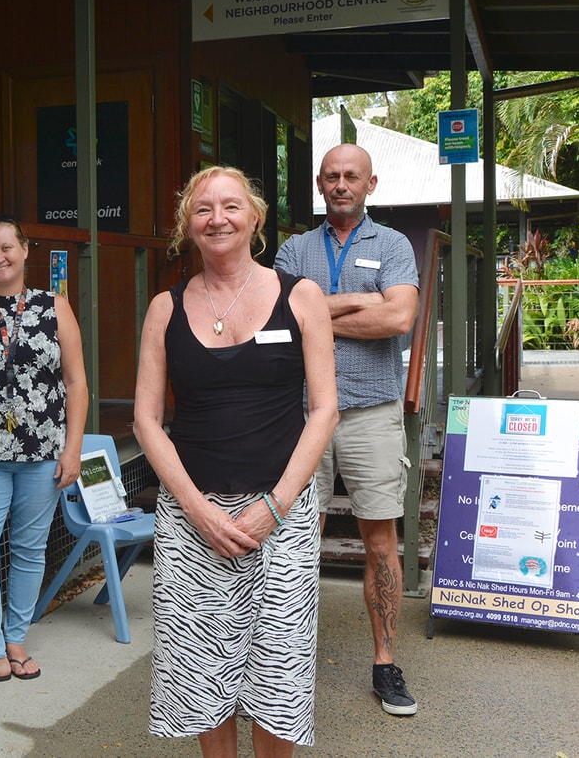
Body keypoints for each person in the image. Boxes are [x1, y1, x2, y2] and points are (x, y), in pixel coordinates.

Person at [133, 167, 337, 756]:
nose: (216, 218)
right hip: (193, 522)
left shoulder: (301, 296)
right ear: (186, 227)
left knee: (279, 672)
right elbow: (147, 420)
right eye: (202, 209)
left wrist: (274, 506)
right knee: (199, 674)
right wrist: (196, 510)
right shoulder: (164, 310)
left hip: (283, 516)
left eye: (229, 207)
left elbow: (324, 410)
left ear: (254, 218)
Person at [274, 143, 421, 717]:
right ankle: (288, 662)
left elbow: (399, 317)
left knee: (380, 540)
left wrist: (321, 309)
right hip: (305, 415)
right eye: (332, 176)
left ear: (371, 184)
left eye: (351, 176)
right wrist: (361, 301)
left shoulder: (393, 245)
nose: (340, 184)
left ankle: (385, 664)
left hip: (371, 413)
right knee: (293, 542)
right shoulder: (294, 248)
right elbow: (283, 319)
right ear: (319, 183)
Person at [0, 214, 88, 692]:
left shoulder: (55, 307)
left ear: (26, 250)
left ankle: (16, 640)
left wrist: (73, 449)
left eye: (7, 247)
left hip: (42, 452)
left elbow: (75, 383)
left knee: (29, 551)